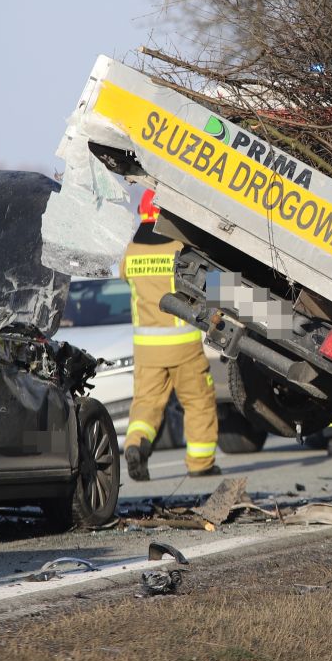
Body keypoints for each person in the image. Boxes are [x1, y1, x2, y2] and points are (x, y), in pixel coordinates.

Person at [122, 190, 220, 481]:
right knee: (198, 401)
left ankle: (136, 444)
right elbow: (205, 283)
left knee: (146, 404)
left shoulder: (131, 251)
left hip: (146, 348)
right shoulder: (177, 245)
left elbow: (124, 277)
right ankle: (200, 463)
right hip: (182, 344)